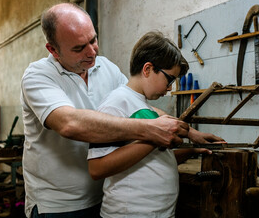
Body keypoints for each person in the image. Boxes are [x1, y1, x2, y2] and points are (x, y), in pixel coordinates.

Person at [20, 2, 222, 218]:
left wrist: (188, 132)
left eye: (93, 40)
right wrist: (153, 132)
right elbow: (69, 124)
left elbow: (138, 105)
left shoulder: (105, 67)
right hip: (59, 205)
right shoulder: (38, 76)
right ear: (53, 49)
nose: (91, 52)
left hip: (103, 195)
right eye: (79, 48)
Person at [87, 31, 222, 218]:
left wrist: (192, 151)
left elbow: (153, 159)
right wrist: (156, 138)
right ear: (148, 69)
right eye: (170, 79)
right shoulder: (116, 103)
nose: (169, 88)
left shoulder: (143, 105)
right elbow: (97, 168)